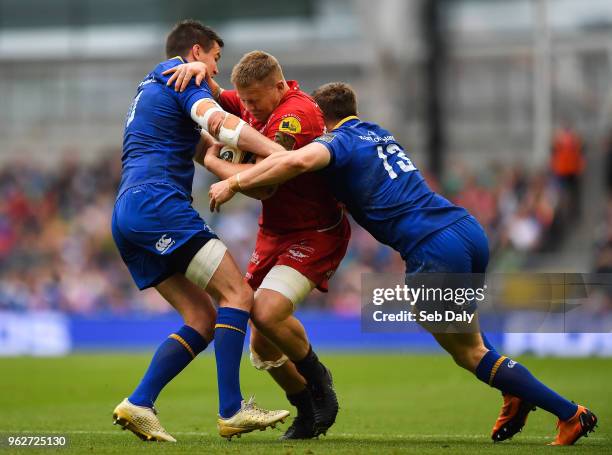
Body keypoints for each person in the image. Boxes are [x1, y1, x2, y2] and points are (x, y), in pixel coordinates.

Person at [207, 82, 598, 446]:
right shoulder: (377, 132)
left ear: (321, 118)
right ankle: (513, 388)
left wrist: (235, 182)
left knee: (470, 353)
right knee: (470, 337)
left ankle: (569, 414)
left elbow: (295, 161)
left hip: (433, 247)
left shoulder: (336, 142)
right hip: (465, 230)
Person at [110, 20, 290, 442]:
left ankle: (139, 402)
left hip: (128, 211)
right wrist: (278, 154)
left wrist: (239, 172)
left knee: (202, 316)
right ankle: (232, 409)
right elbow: (220, 123)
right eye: (215, 59)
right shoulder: (180, 77)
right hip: (158, 205)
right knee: (238, 295)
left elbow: (208, 151)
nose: (215, 71)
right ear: (196, 53)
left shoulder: (151, 88)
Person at [164, 51, 350, 438]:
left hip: (314, 233)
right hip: (275, 232)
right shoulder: (253, 100)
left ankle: (320, 385)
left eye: (253, 101)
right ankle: (304, 409)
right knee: (262, 345)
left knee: (265, 311)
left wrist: (218, 168)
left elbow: (265, 183)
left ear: (279, 87)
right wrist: (198, 68)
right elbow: (217, 94)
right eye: (244, 100)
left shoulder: (296, 115)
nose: (247, 108)